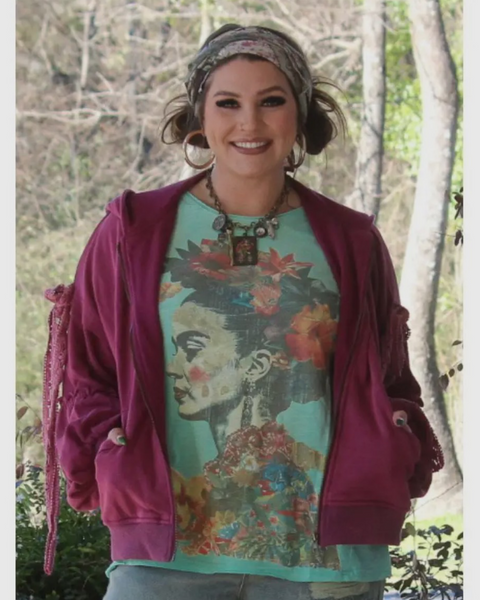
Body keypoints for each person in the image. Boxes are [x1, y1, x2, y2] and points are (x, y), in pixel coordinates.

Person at [43, 23, 444, 600]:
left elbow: (389, 380)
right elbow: (90, 369)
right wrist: (109, 454)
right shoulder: (132, 232)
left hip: (328, 562)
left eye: (271, 101)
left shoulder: (352, 240)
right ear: (200, 116)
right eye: (227, 103)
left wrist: (393, 442)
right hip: (164, 553)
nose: (249, 124)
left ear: (300, 114)